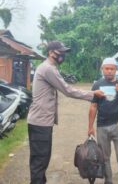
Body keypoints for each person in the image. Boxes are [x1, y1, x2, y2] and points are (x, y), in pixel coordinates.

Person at [27, 41, 104, 184]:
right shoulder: (48, 69)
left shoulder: (47, 67)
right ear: (51, 52)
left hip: (39, 122)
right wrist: (93, 94)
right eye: (60, 52)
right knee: (40, 161)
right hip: (40, 123)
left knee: (40, 160)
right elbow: (68, 90)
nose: (62, 55)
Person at [88, 57, 118, 184]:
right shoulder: (97, 84)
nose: (109, 71)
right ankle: (108, 181)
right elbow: (93, 106)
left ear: (116, 69)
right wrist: (90, 127)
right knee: (104, 158)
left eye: (112, 68)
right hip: (101, 126)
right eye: (107, 68)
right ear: (102, 69)